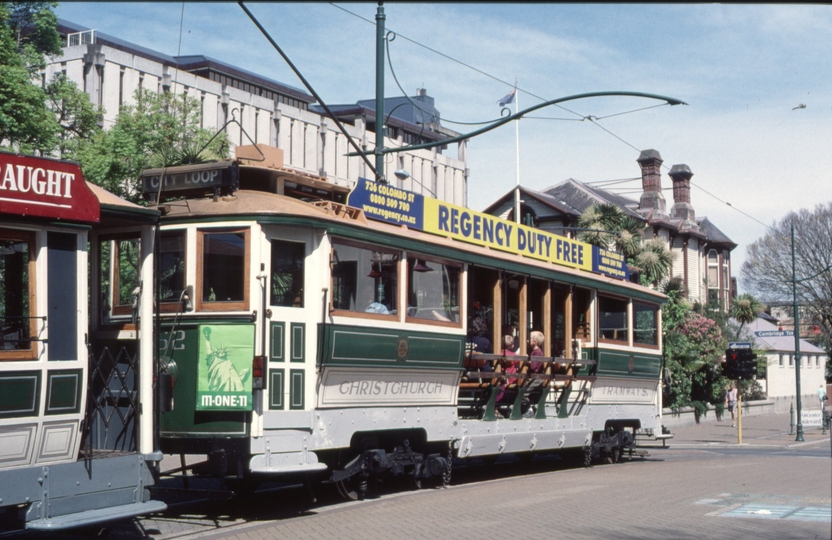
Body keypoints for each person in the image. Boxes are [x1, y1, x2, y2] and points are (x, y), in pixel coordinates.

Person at [522, 331, 546, 418]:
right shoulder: (534, 352)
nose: (527, 341)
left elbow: (533, 367)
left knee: (524, 392)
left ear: (535, 341)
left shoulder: (537, 353)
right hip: (534, 377)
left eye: (529, 339)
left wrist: (527, 361)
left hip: (537, 378)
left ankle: (529, 409)